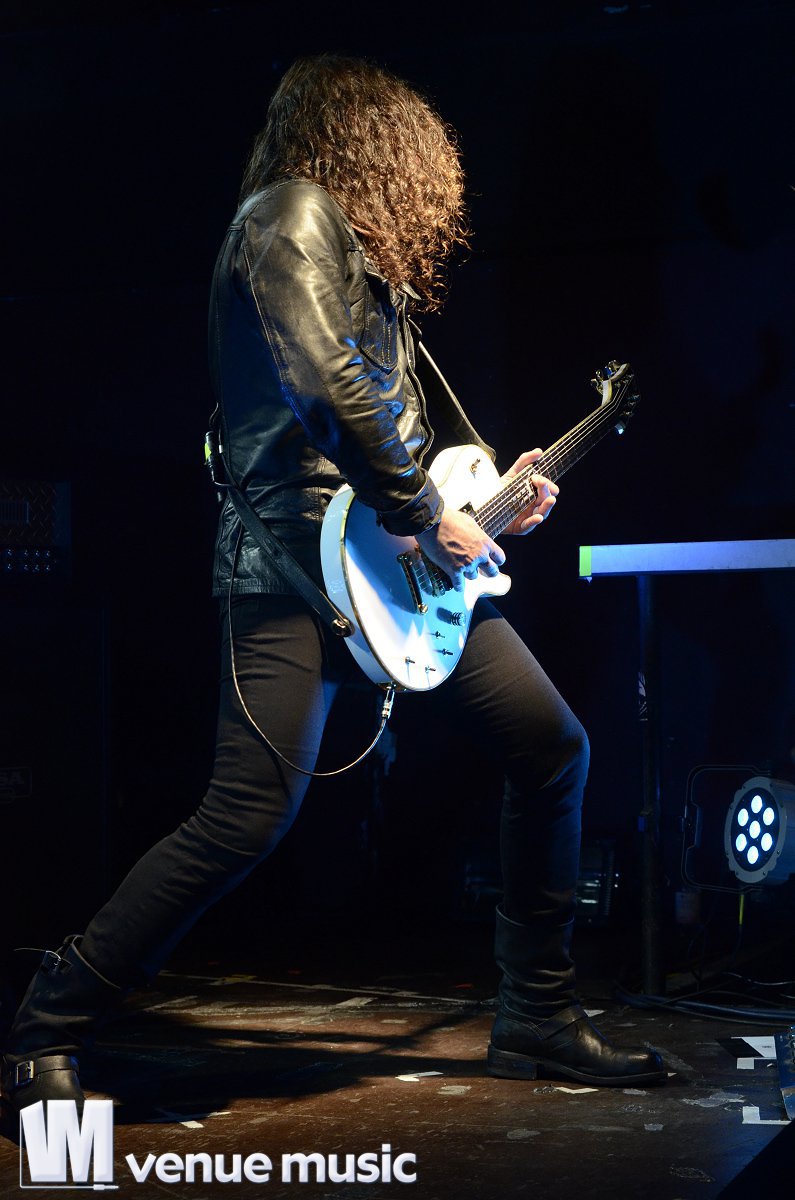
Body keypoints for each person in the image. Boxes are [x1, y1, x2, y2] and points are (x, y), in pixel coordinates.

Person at [0, 54, 665, 1117]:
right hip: (292, 565)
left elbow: (398, 428)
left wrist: (493, 498)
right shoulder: (287, 215)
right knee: (244, 817)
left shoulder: (367, 274)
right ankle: (46, 1020)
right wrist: (424, 512)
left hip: (393, 573)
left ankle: (536, 1016)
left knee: (551, 747)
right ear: (365, 141)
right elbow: (326, 383)